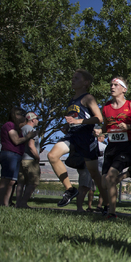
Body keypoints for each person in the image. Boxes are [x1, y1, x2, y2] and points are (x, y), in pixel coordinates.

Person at [47, 69, 107, 207]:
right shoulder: (71, 101)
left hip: (86, 139)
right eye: (73, 77)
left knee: (94, 174)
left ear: (86, 83)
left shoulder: (88, 98)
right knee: (52, 155)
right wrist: (67, 126)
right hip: (73, 136)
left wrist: (78, 122)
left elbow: (99, 118)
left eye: (77, 78)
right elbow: (76, 118)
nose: (73, 80)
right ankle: (70, 189)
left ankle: (107, 204)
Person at [99, 76, 131, 219]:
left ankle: (111, 212)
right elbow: (104, 128)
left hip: (125, 146)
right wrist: (99, 131)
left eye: (116, 85)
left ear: (124, 89)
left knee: (110, 178)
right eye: (111, 85)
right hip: (111, 146)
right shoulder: (106, 107)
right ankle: (128, 174)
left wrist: (130, 126)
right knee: (104, 182)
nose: (112, 87)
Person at [0, 108, 36, 206]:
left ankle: (6, 203)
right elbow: (16, 141)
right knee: (5, 179)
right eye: (23, 115)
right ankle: (0, 203)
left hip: (16, 155)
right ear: (16, 115)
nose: (24, 118)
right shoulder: (9, 125)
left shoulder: (16, 127)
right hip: (9, 154)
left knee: (12, 181)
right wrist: (29, 136)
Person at [16, 112, 40, 208]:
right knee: (33, 182)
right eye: (37, 119)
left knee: (21, 182)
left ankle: (18, 202)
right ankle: (23, 203)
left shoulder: (21, 129)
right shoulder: (31, 130)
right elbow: (31, 146)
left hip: (21, 158)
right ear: (33, 120)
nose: (38, 121)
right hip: (30, 160)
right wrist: (37, 157)